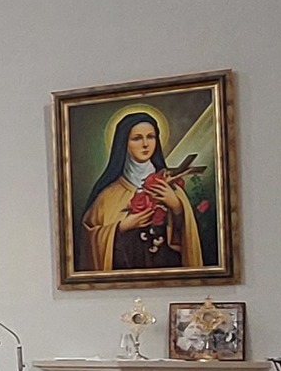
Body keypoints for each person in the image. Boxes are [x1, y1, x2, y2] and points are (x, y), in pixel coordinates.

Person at [76, 112, 204, 273]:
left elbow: (188, 242)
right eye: (137, 138)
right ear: (124, 143)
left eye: (151, 137)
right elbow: (89, 239)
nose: (145, 144)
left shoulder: (170, 187)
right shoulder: (107, 196)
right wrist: (121, 227)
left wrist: (177, 206)